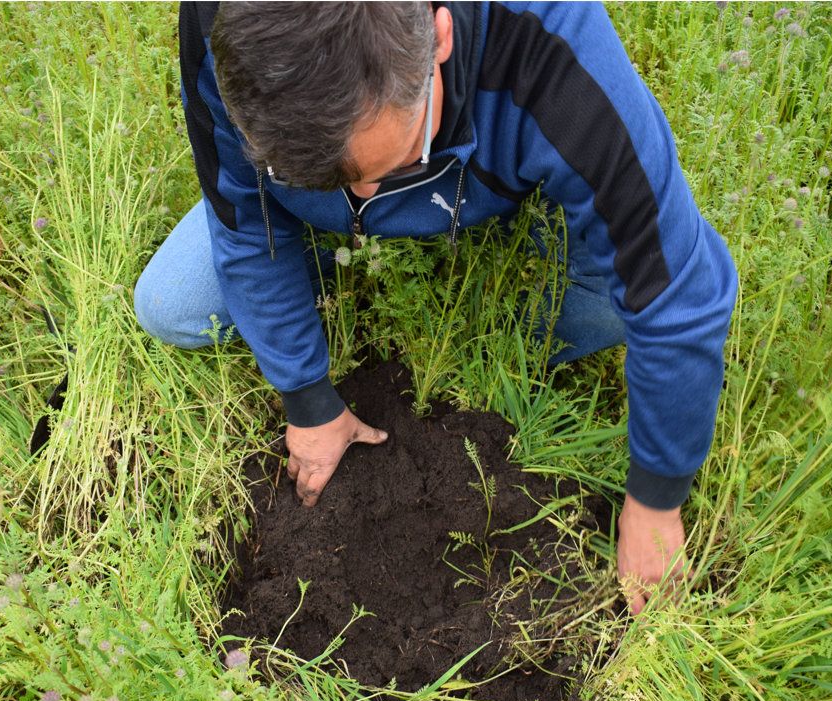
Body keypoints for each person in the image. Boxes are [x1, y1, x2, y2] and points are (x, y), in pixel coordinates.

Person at [135, 2, 738, 616]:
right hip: (320, 211)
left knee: (619, 303)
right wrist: (306, 395)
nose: (368, 193)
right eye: (330, 177)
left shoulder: (548, 39)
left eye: (395, 161)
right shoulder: (226, 21)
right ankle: (343, 201)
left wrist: (657, 498)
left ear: (439, 37)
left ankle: (500, 334)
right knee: (171, 305)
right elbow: (243, 218)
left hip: (490, 190)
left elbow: (679, 295)